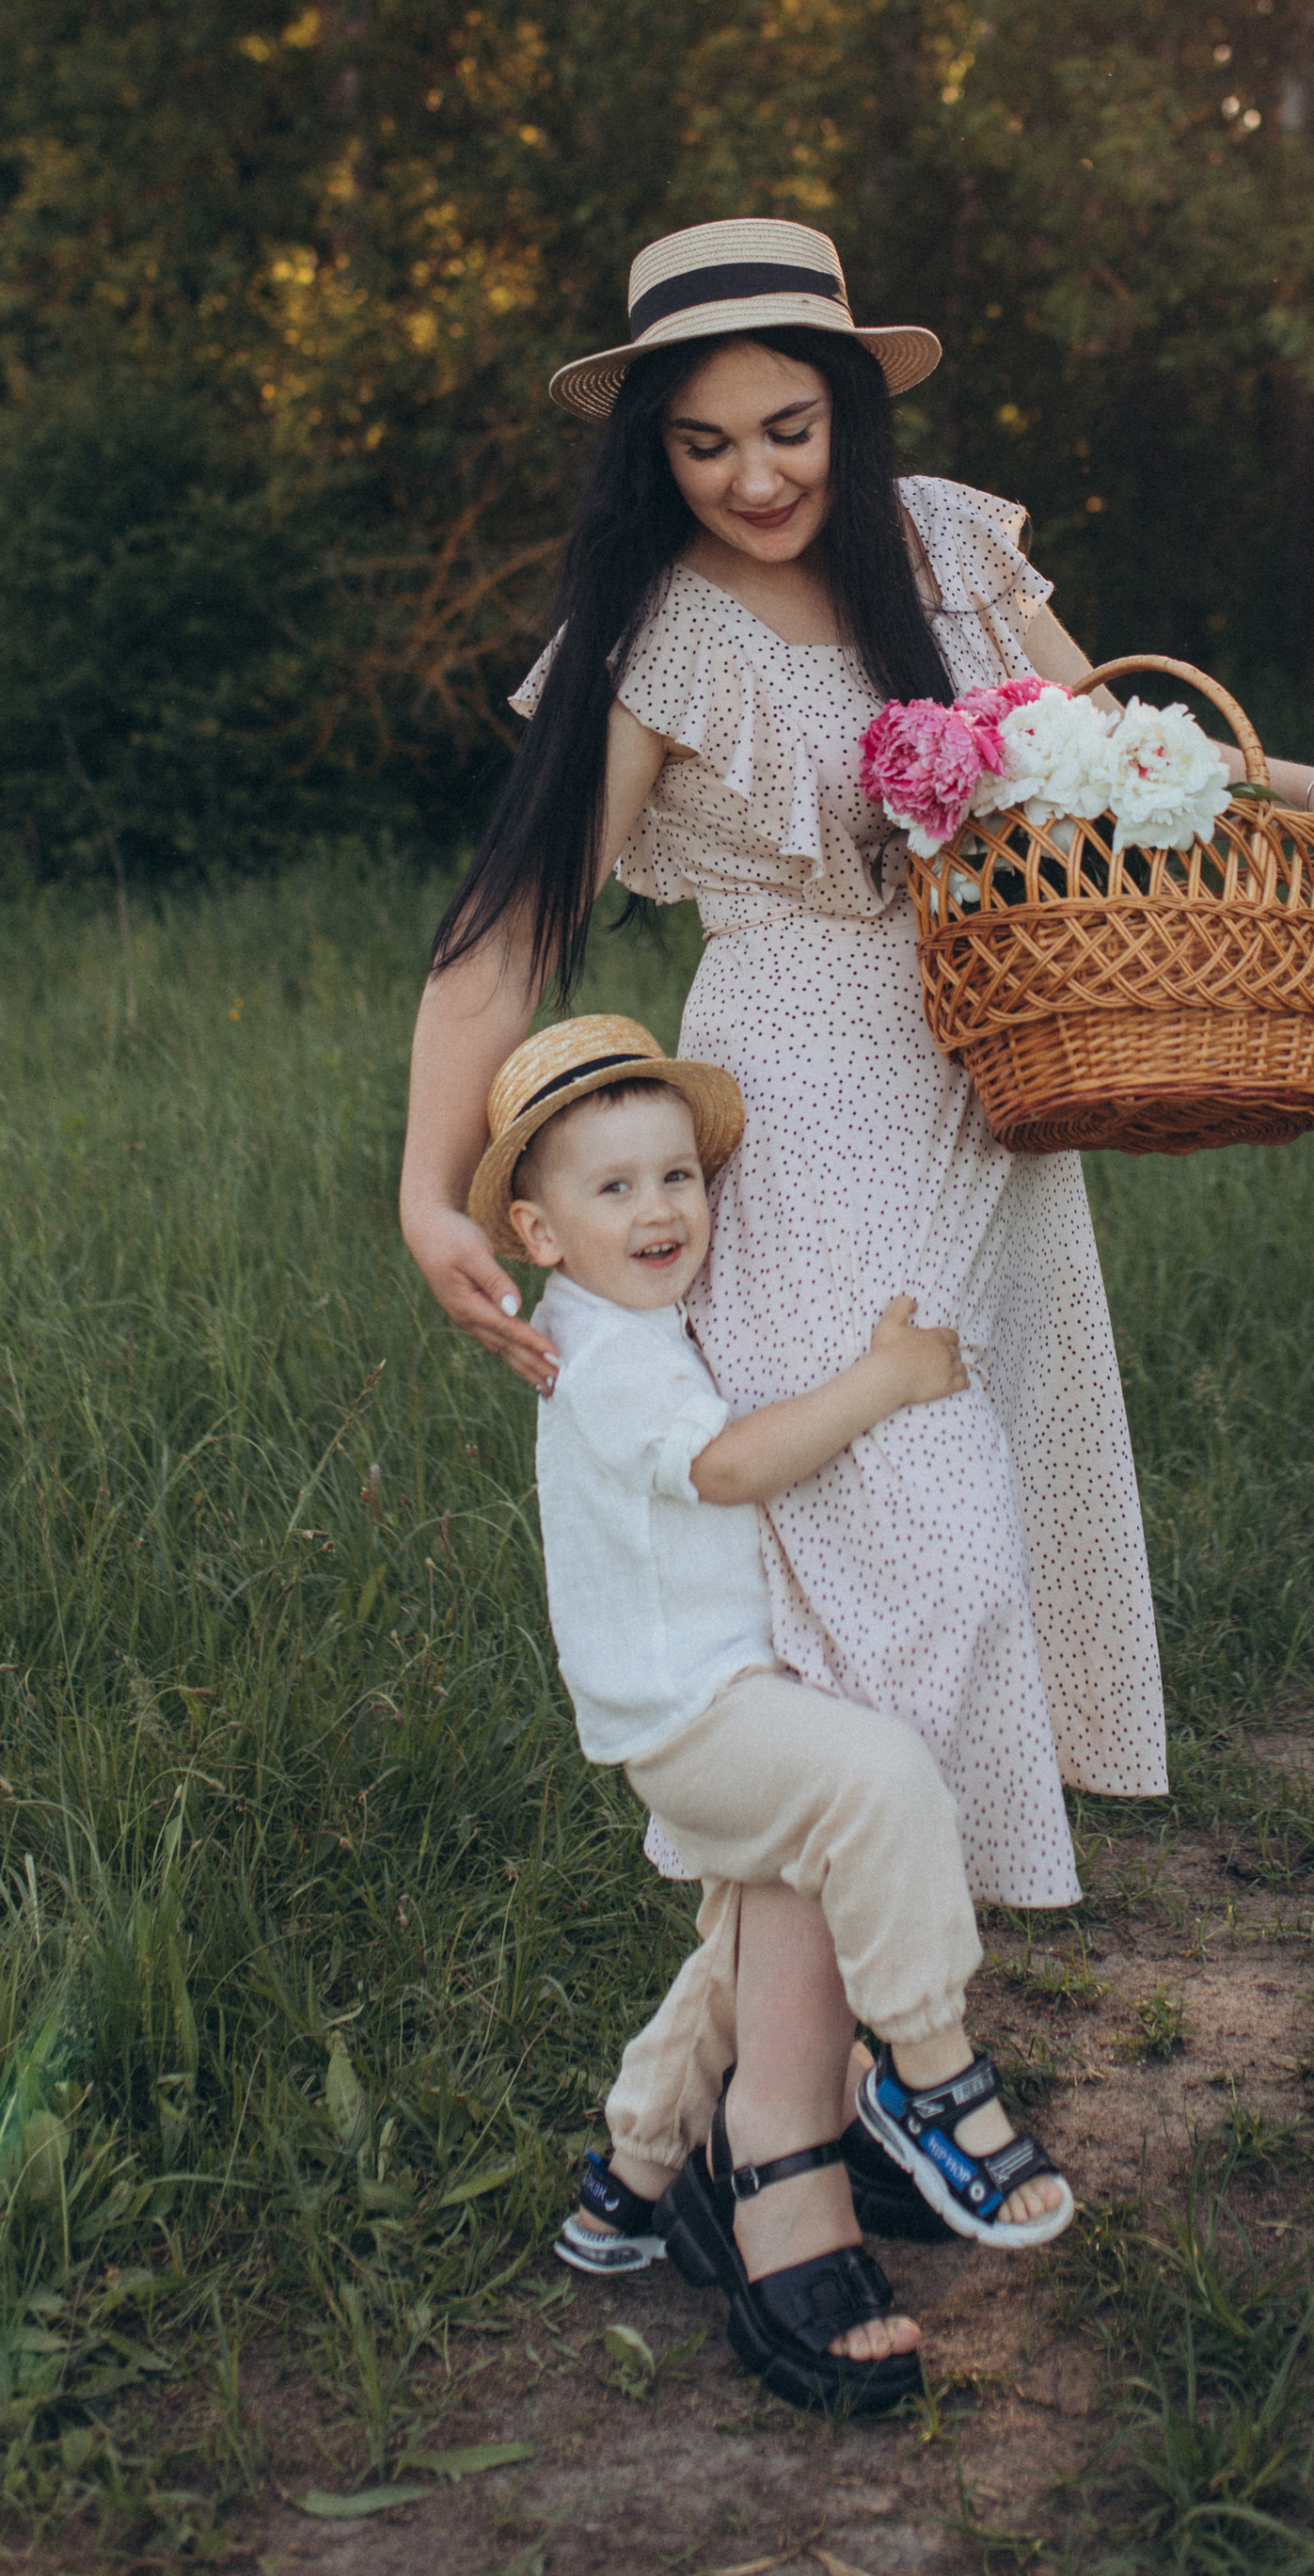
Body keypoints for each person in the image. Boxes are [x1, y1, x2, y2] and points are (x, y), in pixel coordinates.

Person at [400, 215, 1314, 2333]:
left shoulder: (948, 543)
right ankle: (787, 2158)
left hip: (1003, 1083)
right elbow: (507, 925)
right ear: (651, 460)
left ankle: (681, 2125)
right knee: (885, 1613)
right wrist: (429, 1191)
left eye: (786, 426)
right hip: (803, 1109)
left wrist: (1309, 795)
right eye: (701, 445)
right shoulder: (655, 638)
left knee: (912, 1627)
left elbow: (1120, 762)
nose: (755, 476)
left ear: (852, 408)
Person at [472, 1011, 1075, 2414]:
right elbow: (735, 1467)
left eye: (677, 1177)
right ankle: (927, 2072)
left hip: (688, 1712)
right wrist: (882, 1381)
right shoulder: (603, 1359)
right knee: (879, 1785)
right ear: (538, 1231)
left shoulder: (635, 1322)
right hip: (689, 1721)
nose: (660, 1209)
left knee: (753, 1916)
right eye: (611, 1188)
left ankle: (629, 2178)